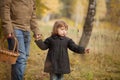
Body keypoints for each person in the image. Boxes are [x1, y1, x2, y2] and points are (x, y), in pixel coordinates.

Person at [0, 0, 41, 80]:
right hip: (15, 28)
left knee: (24, 58)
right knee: (20, 59)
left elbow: (33, 16)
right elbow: (5, 9)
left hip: (27, 29)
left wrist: (36, 31)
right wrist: (8, 29)